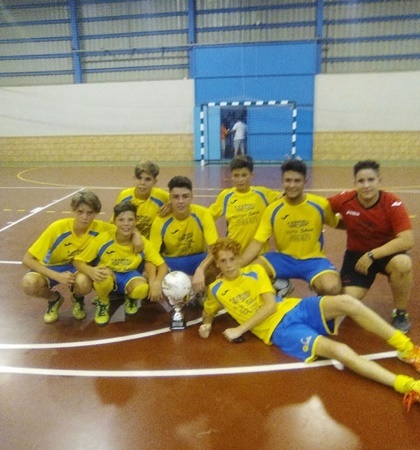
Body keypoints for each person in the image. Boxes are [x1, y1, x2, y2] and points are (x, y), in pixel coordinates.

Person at [199, 238, 420, 411]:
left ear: (239, 258)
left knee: (348, 302)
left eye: (232, 259)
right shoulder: (216, 290)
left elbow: (270, 306)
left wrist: (240, 329)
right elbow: (208, 311)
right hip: (282, 331)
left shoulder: (255, 272)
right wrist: (206, 324)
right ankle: (407, 385)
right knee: (338, 350)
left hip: (295, 308)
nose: (229, 265)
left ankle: (407, 349)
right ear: (217, 264)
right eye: (223, 261)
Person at [21, 190, 142, 324]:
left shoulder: (101, 228)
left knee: (83, 282)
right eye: (80, 212)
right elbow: (27, 259)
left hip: (77, 267)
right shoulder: (57, 228)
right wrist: (57, 276)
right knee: (29, 284)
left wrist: (136, 235)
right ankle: (54, 299)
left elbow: (124, 226)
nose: (85, 217)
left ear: (96, 213)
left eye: (90, 213)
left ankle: (78, 298)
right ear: (73, 211)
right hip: (52, 267)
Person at [328, 160, 414, 333]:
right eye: (361, 181)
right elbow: (316, 207)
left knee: (403, 264)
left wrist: (372, 255)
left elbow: (407, 240)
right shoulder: (345, 199)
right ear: (355, 183)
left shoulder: (392, 203)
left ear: (379, 181)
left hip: (386, 255)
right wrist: (285, 198)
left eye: (370, 180)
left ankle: (400, 313)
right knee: (347, 301)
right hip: (356, 255)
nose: (366, 185)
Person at [240, 159, 341, 295]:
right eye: (288, 180)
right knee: (249, 274)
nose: (292, 185)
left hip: (313, 259)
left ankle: (316, 284)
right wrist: (239, 265)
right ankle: (282, 285)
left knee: (332, 287)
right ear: (282, 181)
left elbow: (336, 222)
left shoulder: (320, 205)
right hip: (283, 259)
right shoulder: (272, 210)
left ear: (305, 181)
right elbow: (257, 242)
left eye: (297, 181)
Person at [73, 201, 168, 326]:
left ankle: (130, 297)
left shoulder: (142, 242)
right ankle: (103, 302)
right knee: (103, 275)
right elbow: (78, 260)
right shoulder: (103, 239)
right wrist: (90, 271)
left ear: (136, 221)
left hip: (129, 275)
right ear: (114, 221)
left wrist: (156, 282)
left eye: (130, 220)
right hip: (108, 277)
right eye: (121, 220)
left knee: (142, 289)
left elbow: (162, 264)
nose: (126, 224)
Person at [149, 175, 219, 294]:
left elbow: (215, 248)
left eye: (185, 196)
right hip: (171, 262)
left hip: (197, 259)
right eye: (176, 197)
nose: (180, 201)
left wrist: (201, 270)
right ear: (170, 198)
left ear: (192, 196)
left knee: (219, 263)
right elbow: (152, 255)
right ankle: (191, 290)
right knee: (148, 272)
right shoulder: (160, 220)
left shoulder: (203, 214)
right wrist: (155, 281)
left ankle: (190, 290)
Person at [112, 161, 169, 239]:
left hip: (152, 242)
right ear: (134, 179)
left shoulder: (162, 197)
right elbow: (116, 222)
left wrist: (171, 205)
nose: (142, 183)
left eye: (148, 179)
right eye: (139, 178)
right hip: (129, 241)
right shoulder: (124, 196)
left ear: (154, 182)